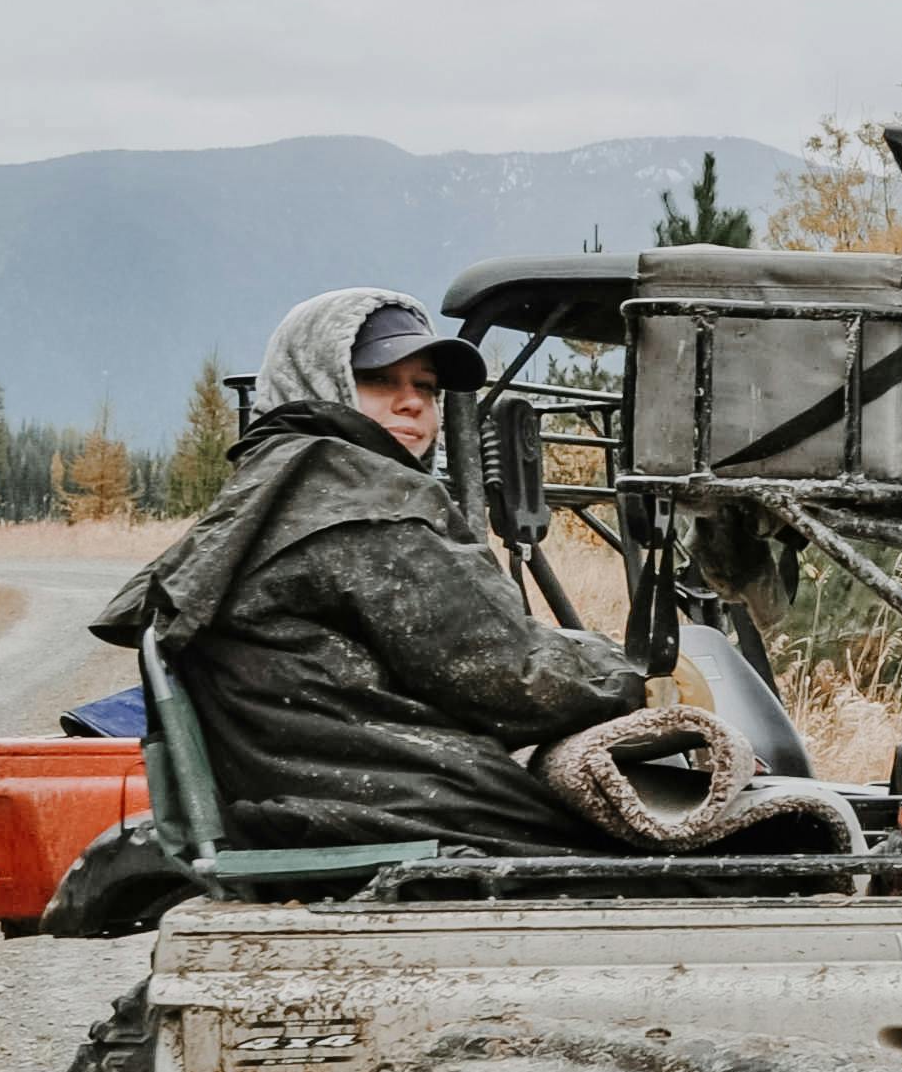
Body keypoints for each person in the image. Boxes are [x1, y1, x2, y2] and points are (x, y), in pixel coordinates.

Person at [93, 287, 646, 856]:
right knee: (700, 844)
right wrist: (633, 676)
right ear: (320, 378)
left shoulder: (280, 482)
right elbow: (512, 680)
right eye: (380, 380)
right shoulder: (361, 496)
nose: (412, 404)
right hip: (412, 801)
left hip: (327, 789)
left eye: (425, 387)